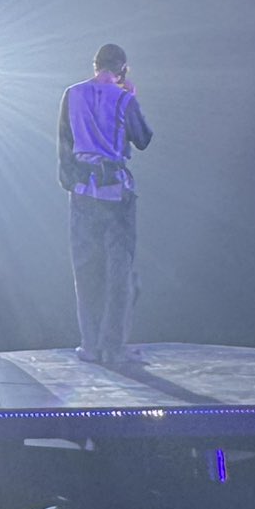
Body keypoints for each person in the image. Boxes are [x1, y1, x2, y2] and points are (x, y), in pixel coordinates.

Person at [58, 43, 152, 369]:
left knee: (86, 272)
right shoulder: (124, 98)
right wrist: (132, 96)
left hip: (83, 192)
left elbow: (64, 141)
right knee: (119, 273)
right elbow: (143, 138)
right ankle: (113, 347)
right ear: (122, 69)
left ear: (95, 64)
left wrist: (70, 182)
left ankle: (90, 344)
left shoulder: (72, 94)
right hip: (115, 194)